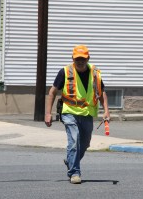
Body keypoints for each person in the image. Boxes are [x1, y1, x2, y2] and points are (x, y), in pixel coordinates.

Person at [45, 45, 110, 184]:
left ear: (88, 58)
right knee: (74, 141)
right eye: (77, 58)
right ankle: (74, 173)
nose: (80, 61)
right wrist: (48, 113)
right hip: (69, 112)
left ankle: (70, 161)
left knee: (85, 144)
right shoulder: (65, 72)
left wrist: (106, 111)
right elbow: (52, 92)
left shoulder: (95, 73)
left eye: (82, 58)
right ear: (72, 58)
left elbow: (101, 92)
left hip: (87, 113)